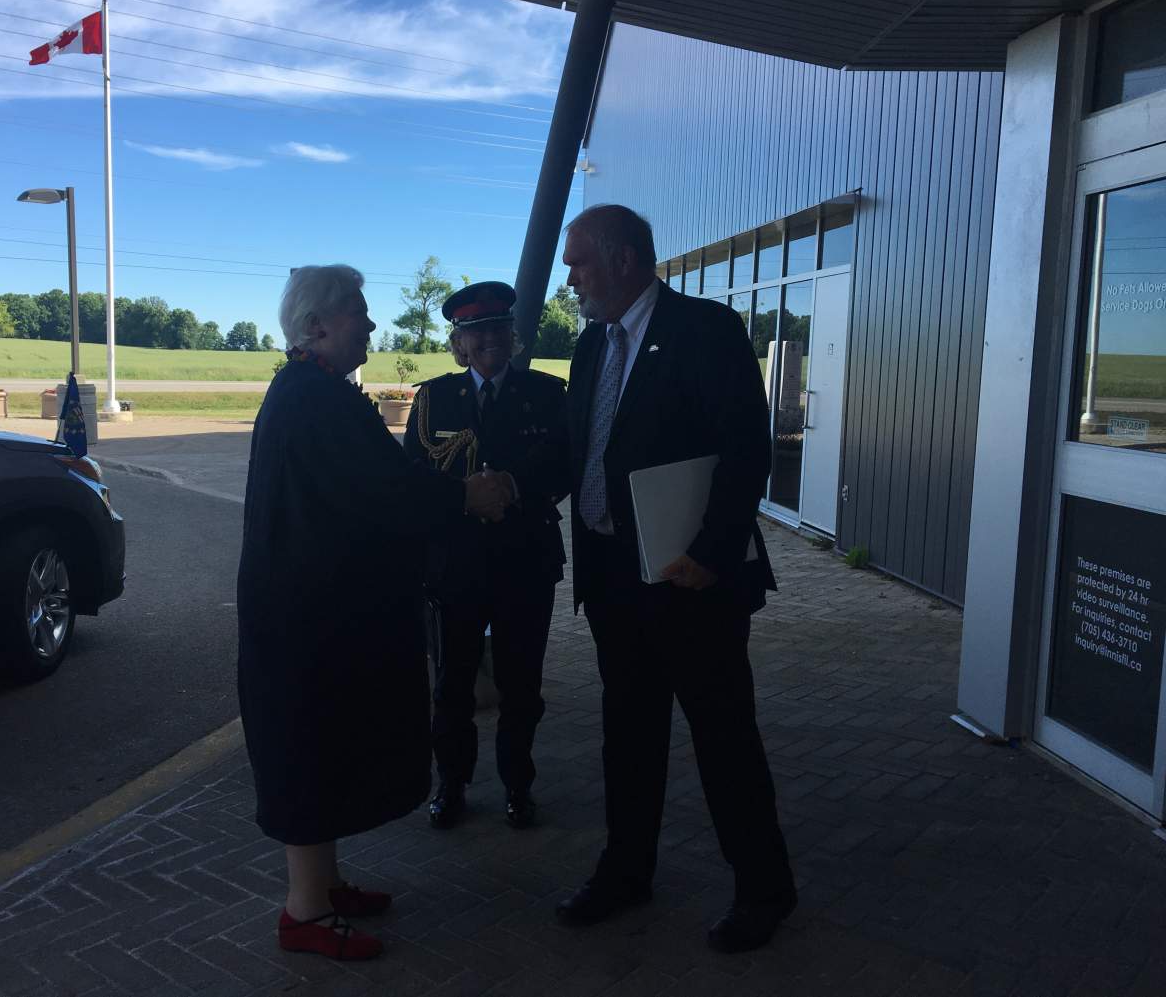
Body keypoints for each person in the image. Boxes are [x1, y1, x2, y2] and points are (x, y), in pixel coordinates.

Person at [237, 265, 509, 962]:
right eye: (358, 311)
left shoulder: (312, 389)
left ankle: (323, 887)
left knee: (325, 748)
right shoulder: (313, 398)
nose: (371, 323)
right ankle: (304, 912)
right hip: (309, 624)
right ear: (317, 326)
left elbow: (374, 487)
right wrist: (463, 498)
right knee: (309, 751)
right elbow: (384, 493)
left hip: (317, 616)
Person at [555, 205, 797, 953]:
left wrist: (712, 551)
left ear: (624, 259)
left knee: (724, 738)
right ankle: (627, 869)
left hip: (691, 582)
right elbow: (583, 447)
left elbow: (745, 452)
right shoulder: (592, 347)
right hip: (615, 581)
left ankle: (764, 888)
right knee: (627, 737)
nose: (572, 280)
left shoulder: (706, 329)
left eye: (581, 263)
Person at [404, 281, 569, 831]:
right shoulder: (432, 399)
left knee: (523, 685)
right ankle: (451, 784)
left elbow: (566, 464)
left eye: (498, 329)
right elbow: (416, 480)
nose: (488, 340)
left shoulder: (548, 394)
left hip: (525, 562)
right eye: (476, 333)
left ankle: (519, 786)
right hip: (455, 568)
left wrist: (510, 488)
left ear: (513, 337)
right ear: (459, 345)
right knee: (452, 686)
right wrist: (468, 504)